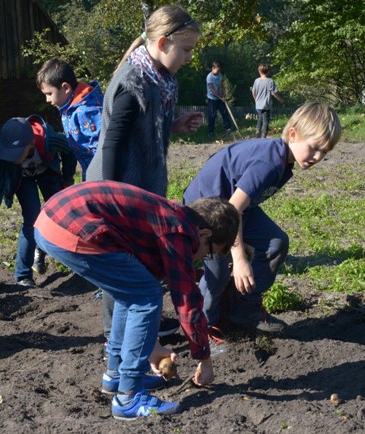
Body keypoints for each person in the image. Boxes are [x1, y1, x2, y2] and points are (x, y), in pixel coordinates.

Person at [33, 180, 240, 419]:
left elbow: (137, 284)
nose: (202, 257)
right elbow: (186, 301)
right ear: (204, 233)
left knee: (134, 291)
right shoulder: (179, 232)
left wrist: (152, 347)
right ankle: (129, 397)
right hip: (69, 225)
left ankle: (117, 376)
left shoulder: (172, 217)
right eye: (209, 251)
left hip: (53, 218)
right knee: (147, 297)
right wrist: (204, 358)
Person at [84, 5, 204, 342]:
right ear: (164, 42)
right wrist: (109, 195)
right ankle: (116, 337)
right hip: (117, 183)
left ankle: (140, 327)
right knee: (121, 264)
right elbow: (113, 142)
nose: (189, 57)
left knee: (140, 259)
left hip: (140, 184)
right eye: (186, 49)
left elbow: (145, 128)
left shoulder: (161, 78)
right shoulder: (133, 80)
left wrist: (175, 126)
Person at [183, 102, 342, 337]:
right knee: (217, 274)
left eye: (324, 152)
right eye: (314, 147)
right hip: (206, 211)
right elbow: (232, 210)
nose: (317, 157)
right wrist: (238, 258)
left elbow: (239, 206)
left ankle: (244, 308)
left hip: (233, 206)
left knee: (275, 243)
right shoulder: (269, 163)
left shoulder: (284, 160)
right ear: (293, 134)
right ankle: (203, 327)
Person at [0, 116, 76, 287]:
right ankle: (23, 276)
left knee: (58, 214)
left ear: (32, 144)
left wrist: (68, 178)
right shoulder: (7, 161)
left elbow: (70, 150)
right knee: (31, 219)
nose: (11, 157)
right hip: (22, 178)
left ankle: (46, 252)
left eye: (16, 153)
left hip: (48, 171)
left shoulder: (51, 140)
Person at [36, 58, 103, 181]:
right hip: (89, 171)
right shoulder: (69, 109)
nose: (47, 100)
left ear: (66, 88)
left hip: (101, 175)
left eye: (49, 94)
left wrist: (96, 180)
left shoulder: (85, 112)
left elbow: (103, 150)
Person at [252, 63, 285, 138]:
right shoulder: (270, 81)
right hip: (266, 105)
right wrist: (282, 100)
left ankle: (257, 130)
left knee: (260, 118)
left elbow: (253, 92)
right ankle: (264, 136)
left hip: (258, 105)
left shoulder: (256, 81)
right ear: (268, 71)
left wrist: (256, 100)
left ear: (259, 71)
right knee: (266, 120)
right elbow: (274, 93)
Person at [206, 60, 233, 137]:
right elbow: (212, 90)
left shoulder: (219, 75)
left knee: (224, 112)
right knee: (212, 115)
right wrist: (220, 97)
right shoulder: (209, 77)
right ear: (213, 68)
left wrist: (224, 93)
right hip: (212, 98)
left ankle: (228, 128)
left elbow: (222, 85)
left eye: (220, 70)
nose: (218, 72)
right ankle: (210, 131)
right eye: (217, 70)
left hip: (220, 97)